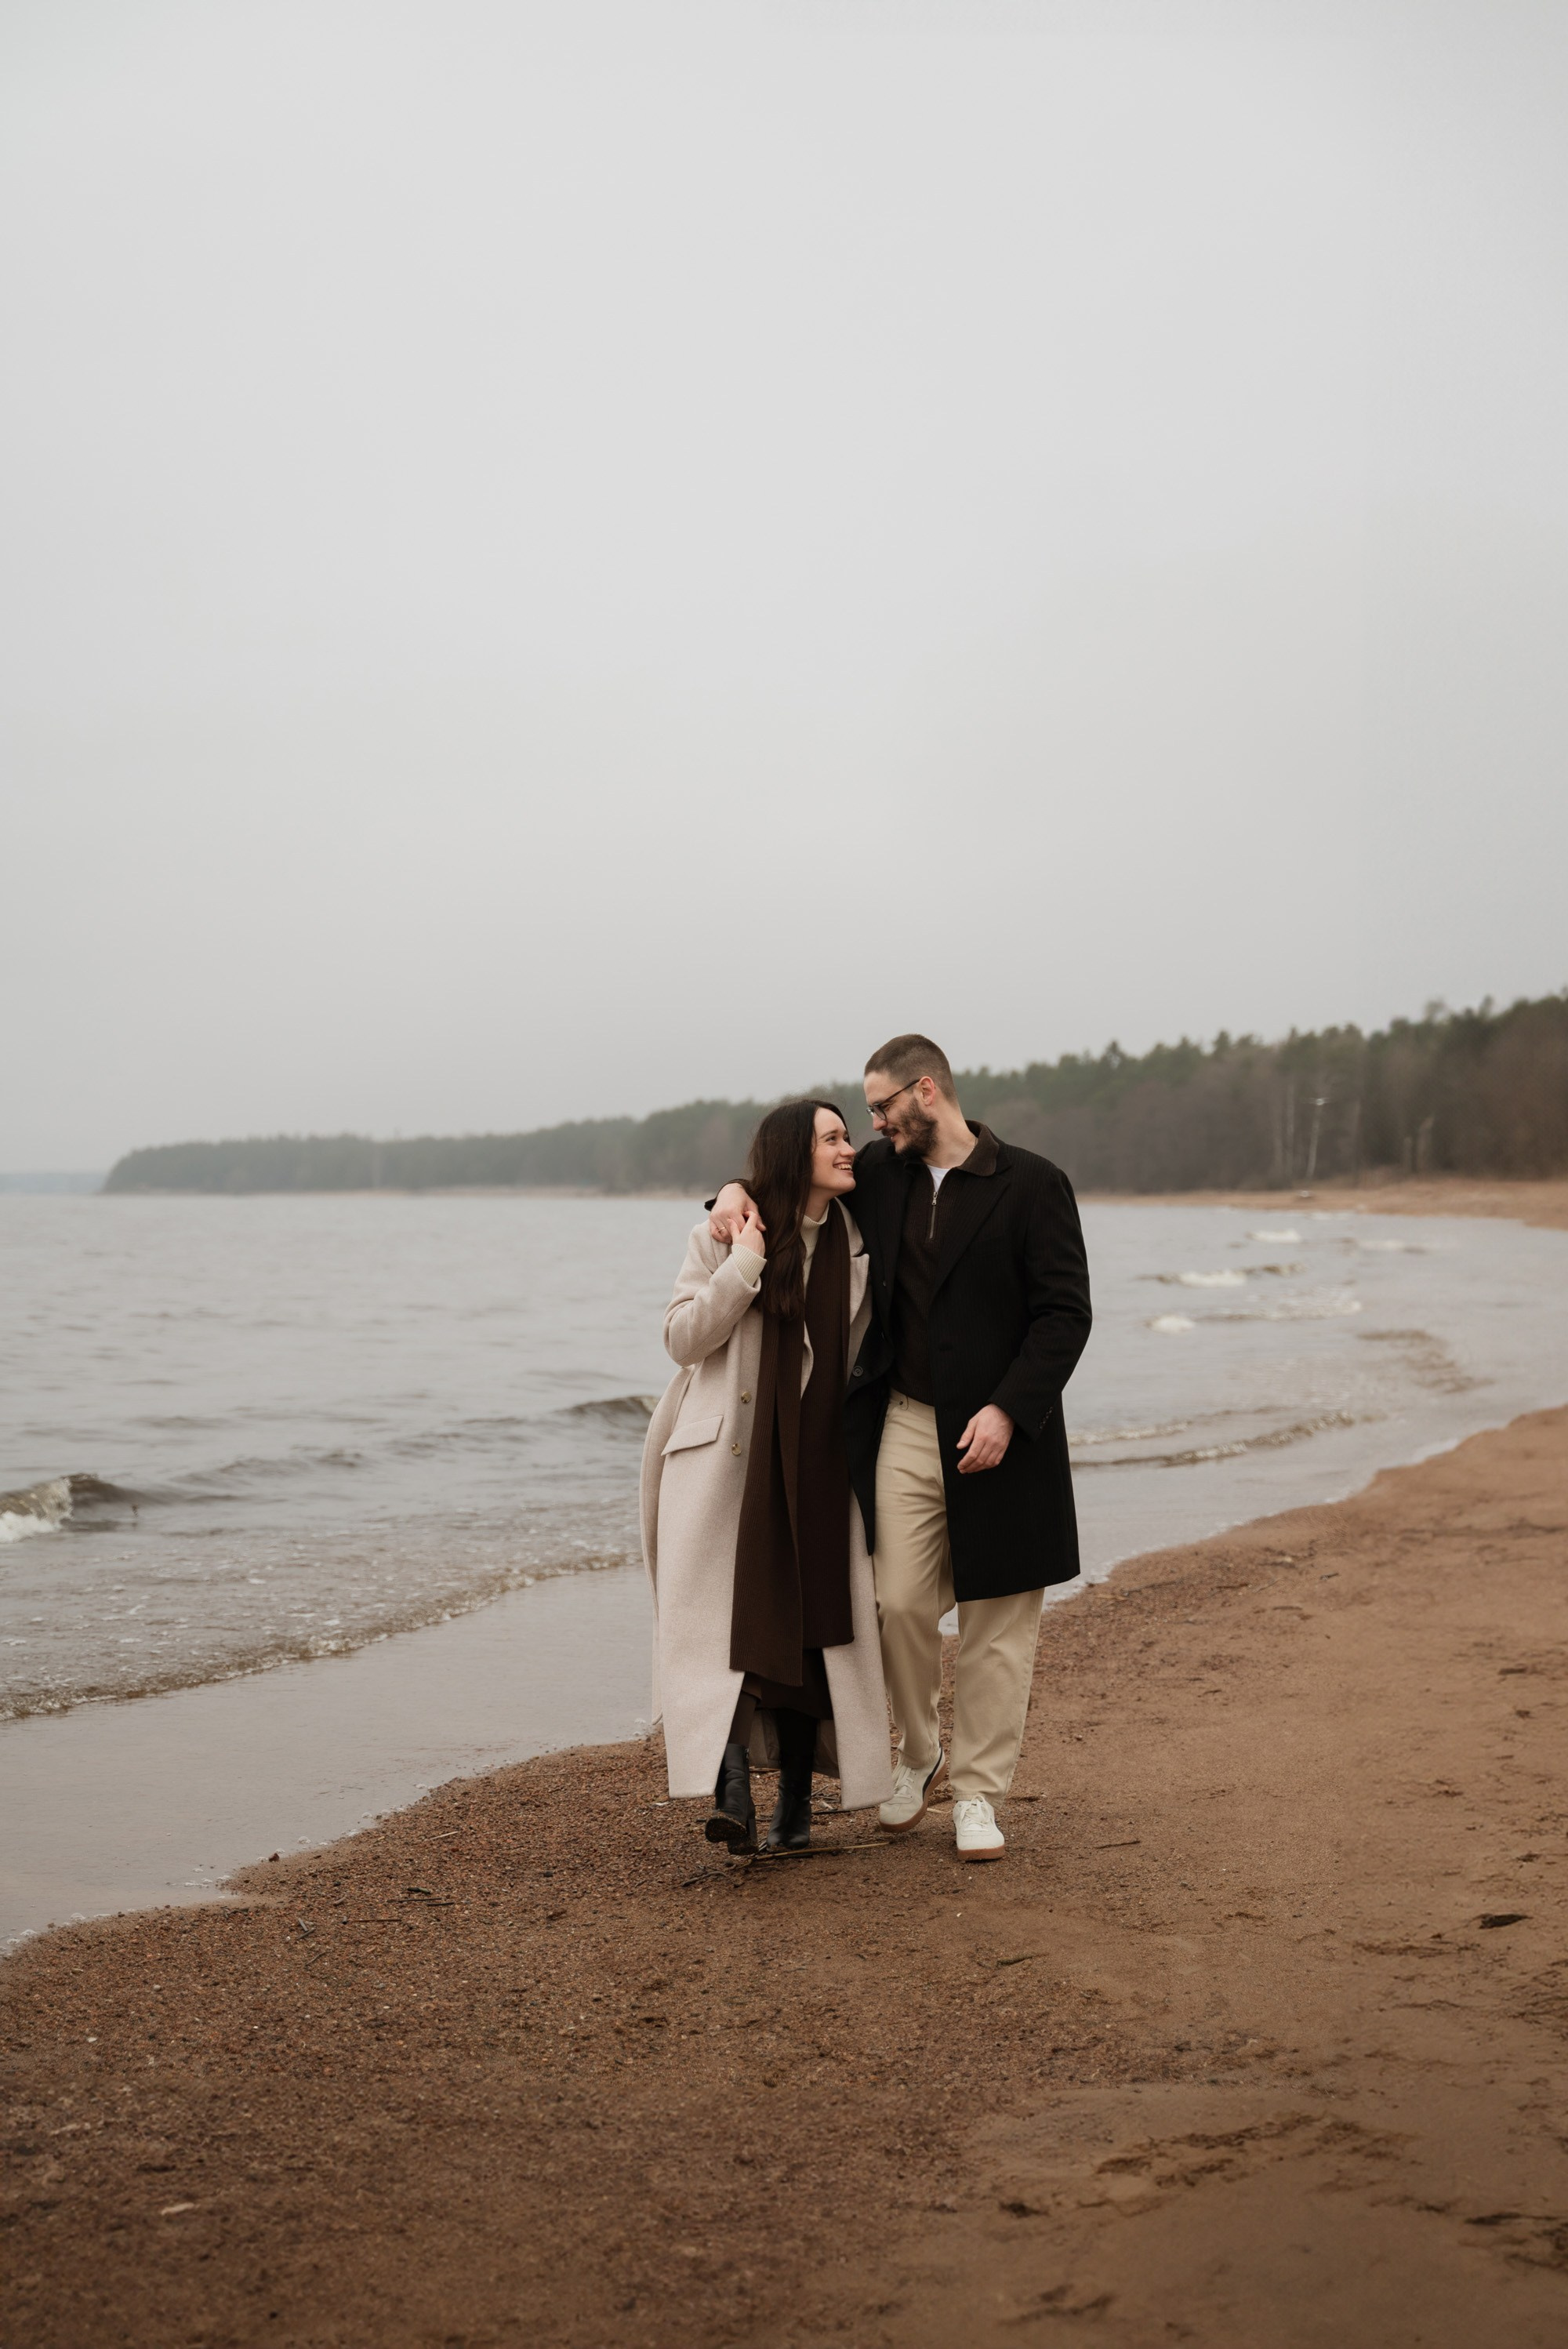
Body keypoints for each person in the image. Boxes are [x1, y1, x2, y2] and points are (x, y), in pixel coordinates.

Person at [710, 1034, 1091, 1863]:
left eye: (881, 1105)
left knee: (998, 1622)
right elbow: (789, 1181)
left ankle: (979, 1793)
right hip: (908, 1422)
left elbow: (1064, 1314)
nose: (871, 1124)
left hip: (1006, 1434)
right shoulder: (879, 1175)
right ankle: (918, 1754)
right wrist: (730, 1193)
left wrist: (1007, 1409)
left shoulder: (1032, 1183)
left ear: (927, 1090)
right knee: (898, 1602)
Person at [641, 1100, 894, 1853]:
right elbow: (683, 1340)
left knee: (814, 1619)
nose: (850, 1149)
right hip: (733, 1462)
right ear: (793, 1154)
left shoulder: (857, 1235)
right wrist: (744, 1261)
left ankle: (794, 1806)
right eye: (833, 1139)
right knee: (734, 1619)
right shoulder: (722, 1235)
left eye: (850, 1135)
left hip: (820, 1457)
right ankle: (730, 1791)